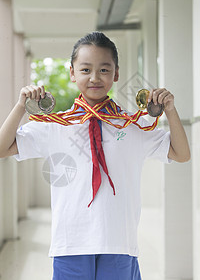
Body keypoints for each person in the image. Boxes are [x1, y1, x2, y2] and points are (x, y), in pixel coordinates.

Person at [0, 32, 190, 280]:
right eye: (86, 69)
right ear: (72, 72)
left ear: (116, 74)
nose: (94, 78)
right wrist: (20, 106)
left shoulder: (132, 126)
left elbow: (181, 154)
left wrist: (171, 111)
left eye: (103, 70)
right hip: (71, 244)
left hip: (119, 243)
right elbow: (3, 148)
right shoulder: (57, 125)